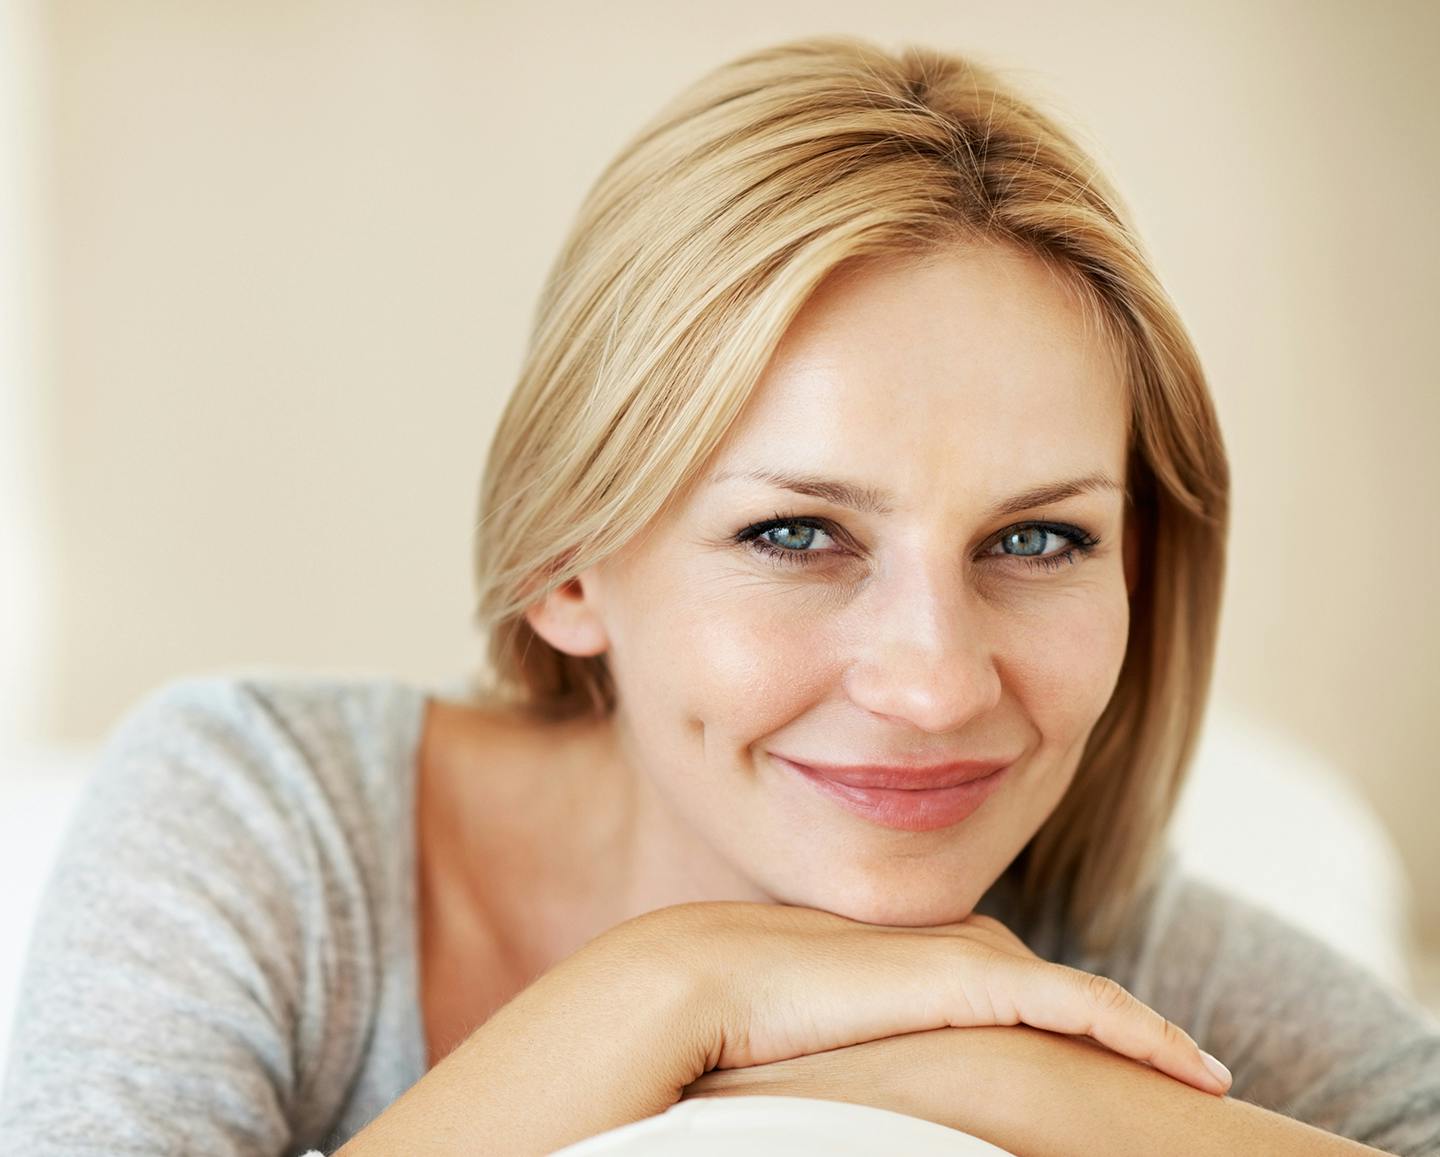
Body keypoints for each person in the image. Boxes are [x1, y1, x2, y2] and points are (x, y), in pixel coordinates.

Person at [2, 33, 1437, 1157]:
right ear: (570, 560)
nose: (936, 684)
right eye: (800, 533)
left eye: (1040, 542)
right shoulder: (270, 834)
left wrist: (996, 1077)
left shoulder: (1125, 959)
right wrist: (670, 991)